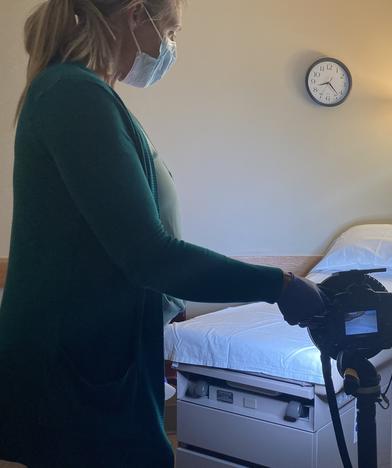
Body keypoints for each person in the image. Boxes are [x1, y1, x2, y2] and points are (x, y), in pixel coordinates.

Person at [0, 1, 326, 466]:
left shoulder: (89, 95)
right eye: (169, 30)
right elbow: (150, 254)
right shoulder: (72, 94)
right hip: (75, 364)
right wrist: (280, 285)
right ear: (136, 16)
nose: (170, 46)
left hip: (100, 352)